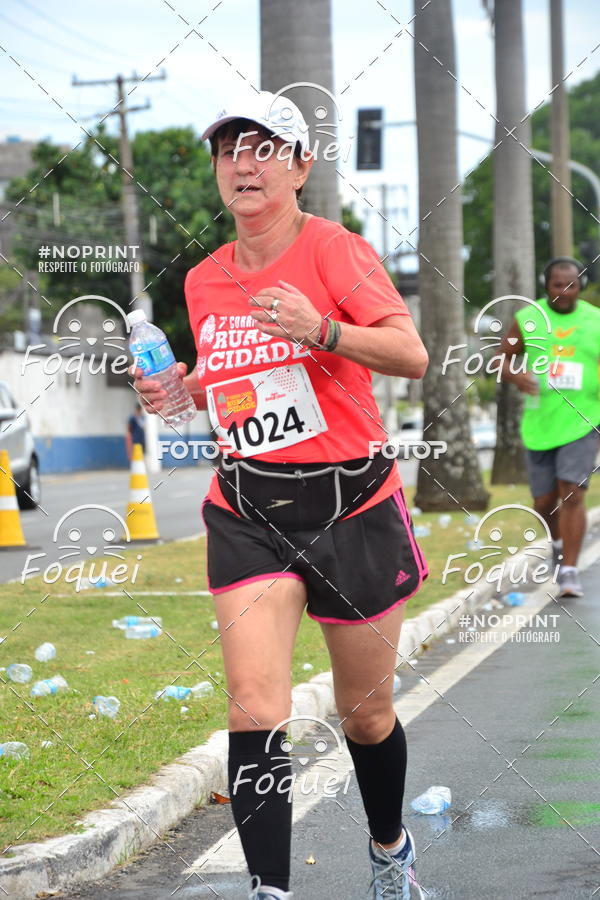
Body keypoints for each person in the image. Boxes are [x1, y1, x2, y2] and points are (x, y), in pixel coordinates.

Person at [133, 91, 429, 900]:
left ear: (301, 166)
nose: (243, 162)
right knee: (254, 703)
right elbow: (232, 383)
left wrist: (322, 329)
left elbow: (411, 353)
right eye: (229, 148)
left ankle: (388, 850)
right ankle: (271, 890)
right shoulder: (203, 279)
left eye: (264, 147)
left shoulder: (337, 252)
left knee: (364, 713)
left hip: (352, 506)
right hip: (250, 512)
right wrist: (180, 392)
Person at [499, 257, 600, 598]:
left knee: (572, 490)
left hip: (584, 419)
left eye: (571, 284)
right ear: (547, 286)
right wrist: (515, 375)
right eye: (558, 284)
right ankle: (557, 544)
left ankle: (569, 571)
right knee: (543, 501)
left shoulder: (595, 320)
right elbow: (503, 358)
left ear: (580, 287)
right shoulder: (529, 318)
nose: (564, 291)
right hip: (540, 422)